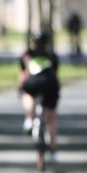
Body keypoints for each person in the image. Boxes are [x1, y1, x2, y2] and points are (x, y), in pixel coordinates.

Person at [19, 30, 61, 158]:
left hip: (33, 82)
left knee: (28, 94)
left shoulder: (27, 55)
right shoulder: (52, 55)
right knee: (51, 118)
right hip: (50, 83)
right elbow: (55, 73)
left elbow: (23, 74)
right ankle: (53, 148)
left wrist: (20, 88)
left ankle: (29, 120)